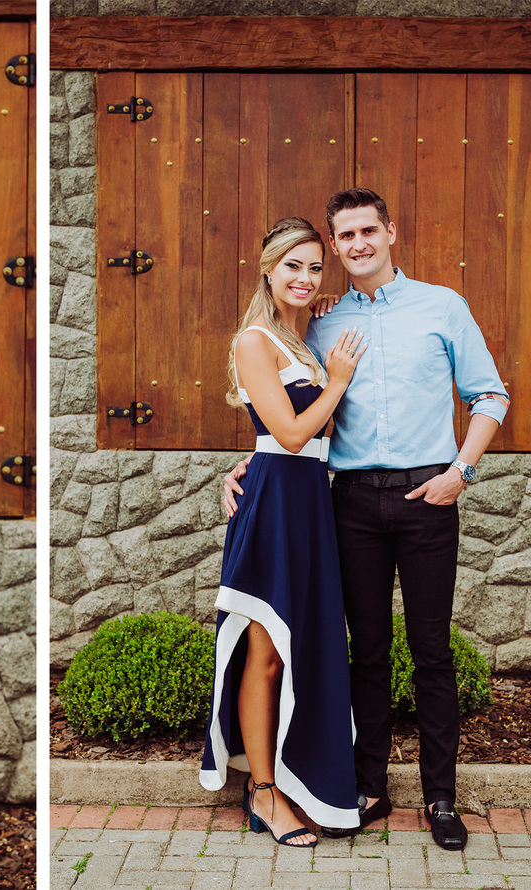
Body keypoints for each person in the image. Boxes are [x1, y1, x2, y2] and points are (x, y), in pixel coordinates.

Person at [225, 188, 509, 851]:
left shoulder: (442, 306)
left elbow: (489, 394)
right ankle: (369, 787)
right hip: (346, 503)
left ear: (390, 234)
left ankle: (441, 797)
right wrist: (246, 465)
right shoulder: (318, 323)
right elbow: (289, 415)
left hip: (427, 496)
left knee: (431, 651)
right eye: (344, 237)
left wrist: (459, 474)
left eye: (366, 232)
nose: (356, 245)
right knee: (367, 652)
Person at [200, 217, 366, 847]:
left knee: (299, 647)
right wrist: (341, 381)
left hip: (308, 503)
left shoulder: (297, 340)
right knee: (265, 654)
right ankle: (264, 795)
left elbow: (294, 440)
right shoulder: (253, 340)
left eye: (315, 267)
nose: (305, 278)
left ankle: (291, 782)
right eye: (292, 266)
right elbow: (293, 435)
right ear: (267, 268)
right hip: (276, 506)